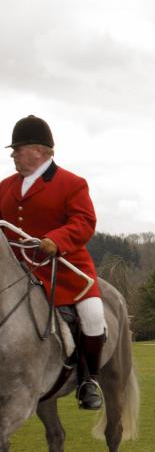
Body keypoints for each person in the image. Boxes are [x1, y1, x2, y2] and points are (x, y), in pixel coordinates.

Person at [0, 115, 105, 410]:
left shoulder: (72, 184)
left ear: (38, 150)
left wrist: (56, 240)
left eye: (17, 149)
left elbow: (84, 221)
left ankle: (88, 381)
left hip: (65, 269)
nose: (13, 155)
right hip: (17, 271)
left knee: (94, 315)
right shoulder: (5, 186)